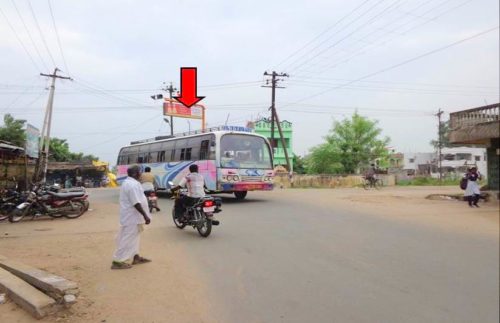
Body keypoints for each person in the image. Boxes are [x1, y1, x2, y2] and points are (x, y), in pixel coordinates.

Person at [111, 165, 151, 270]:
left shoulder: (130, 183)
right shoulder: (132, 185)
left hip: (133, 217)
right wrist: (145, 216)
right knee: (127, 239)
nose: (141, 174)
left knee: (134, 238)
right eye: (139, 172)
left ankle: (135, 257)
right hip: (132, 217)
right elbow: (136, 203)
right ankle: (117, 261)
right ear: (135, 173)